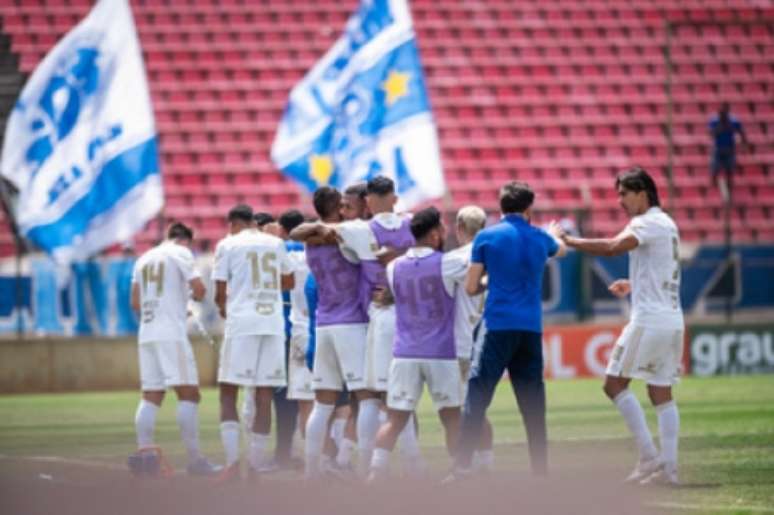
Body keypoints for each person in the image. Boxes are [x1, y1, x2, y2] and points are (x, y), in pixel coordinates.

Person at [559, 167, 684, 486]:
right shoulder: (667, 223)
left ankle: (648, 457)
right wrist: (635, 283)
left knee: (613, 384)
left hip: (650, 319)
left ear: (643, 193)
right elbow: (662, 267)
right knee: (661, 393)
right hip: (671, 318)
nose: (620, 201)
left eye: (624, 194)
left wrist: (569, 240)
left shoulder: (645, 223)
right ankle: (668, 470)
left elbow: (614, 246)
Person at [448, 181, 566, 480]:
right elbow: (560, 248)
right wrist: (552, 234)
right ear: (529, 208)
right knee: (533, 404)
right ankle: (540, 473)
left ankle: (461, 468)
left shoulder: (486, 237)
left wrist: (493, 279)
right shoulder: (541, 238)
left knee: (477, 396)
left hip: (497, 325)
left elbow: (472, 287)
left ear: (500, 207)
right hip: (530, 329)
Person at [367, 207, 466, 480]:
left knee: (395, 419)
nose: (445, 234)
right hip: (440, 352)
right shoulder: (448, 263)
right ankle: (459, 471)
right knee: (452, 419)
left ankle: (375, 472)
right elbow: (472, 282)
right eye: (443, 229)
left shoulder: (393, 266)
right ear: (434, 234)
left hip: (404, 352)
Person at [335, 176, 423, 473]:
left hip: (379, 316)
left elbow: (318, 233)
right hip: (411, 315)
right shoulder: (412, 224)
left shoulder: (360, 229)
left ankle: (365, 467)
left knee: (372, 397)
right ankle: (413, 466)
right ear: (395, 198)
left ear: (368, 201)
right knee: (403, 395)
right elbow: (430, 253)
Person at [289, 186, 371, 478]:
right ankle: (361, 469)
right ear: (338, 207)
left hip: (324, 324)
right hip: (351, 323)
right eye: (344, 204)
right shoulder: (348, 232)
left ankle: (313, 472)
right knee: (365, 398)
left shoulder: (312, 240)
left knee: (322, 404)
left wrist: (318, 224)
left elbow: (296, 232)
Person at [129, 222, 219, 476]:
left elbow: (135, 302)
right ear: (185, 240)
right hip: (171, 333)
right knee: (189, 394)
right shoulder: (181, 252)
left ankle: (145, 454)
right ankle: (195, 460)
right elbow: (200, 290)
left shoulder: (143, 258)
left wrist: (171, 301)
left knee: (151, 396)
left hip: (147, 333)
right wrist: (186, 301)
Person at [212, 204, 294, 482]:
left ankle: (234, 462)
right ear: (252, 222)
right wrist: (265, 291)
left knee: (228, 391)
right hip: (272, 323)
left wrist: (225, 308)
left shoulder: (228, 244)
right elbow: (289, 280)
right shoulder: (275, 243)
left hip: (243, 323)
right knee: (264, 394)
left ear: (233, 223)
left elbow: (219, 292)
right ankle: (257, 464)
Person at [448, 205, 494, 472]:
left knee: (458, 411)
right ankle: (485, 464)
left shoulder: (455, 259)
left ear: (459, 228)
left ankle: (466, 467)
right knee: (476, 407)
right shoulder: (496, 256)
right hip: (486, 339)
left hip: (461, 342)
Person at [709, 102, 749, 200]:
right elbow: (711, 134)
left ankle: (729, 191)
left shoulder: (734, 121)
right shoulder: (715, 121)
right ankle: (714, 186)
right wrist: (721, 127)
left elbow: (741, 133)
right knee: (715, 169)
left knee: (729, 171)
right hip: (718, 149)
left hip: (729, 149)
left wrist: (744, 145)